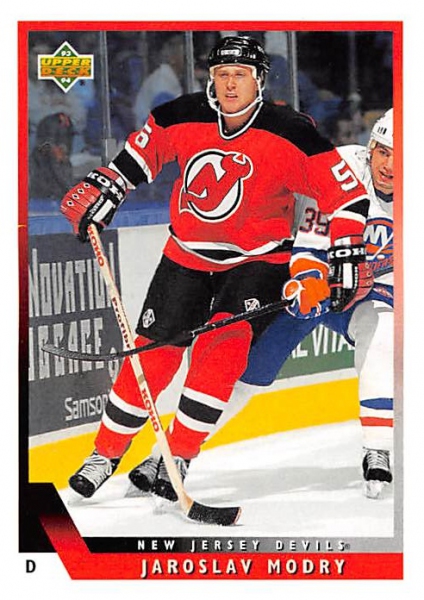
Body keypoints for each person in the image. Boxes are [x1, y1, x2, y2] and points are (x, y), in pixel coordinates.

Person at [60, 36, 372, 501]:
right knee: (152, 357)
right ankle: (104, 454)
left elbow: (348, 197)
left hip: (258, 260)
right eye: (222, 74)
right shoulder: (179, 115)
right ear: (210, 78)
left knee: (219, 357)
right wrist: (106, 187)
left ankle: (180, 455)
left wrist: (346, 250)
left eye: (240, 75)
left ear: (259, 80)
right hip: (186, 254)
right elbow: (137, 158)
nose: (229, 84)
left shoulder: (292, 132)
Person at [203, 108, 395, 500]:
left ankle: (378, 449)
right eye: (383, 152)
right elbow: (311, 241)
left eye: (402, 156)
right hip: (309, 284)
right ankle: (173, 452)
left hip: (366, 295)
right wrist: (308, 280)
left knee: (383, 330)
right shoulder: (344, 168)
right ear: (370, 149)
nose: (389, 166)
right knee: (249, 374)